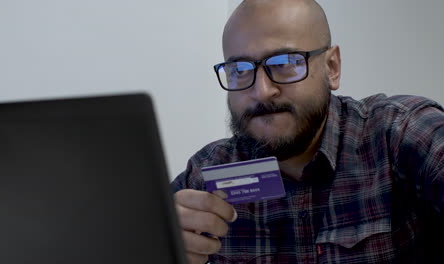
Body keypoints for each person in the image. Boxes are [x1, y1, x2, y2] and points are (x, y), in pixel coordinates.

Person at [171, 0, 444, 263]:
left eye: (284, 62)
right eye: (239, 70)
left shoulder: (399, 134)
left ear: (332, 67)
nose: (262, 91)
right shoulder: (205, 176)